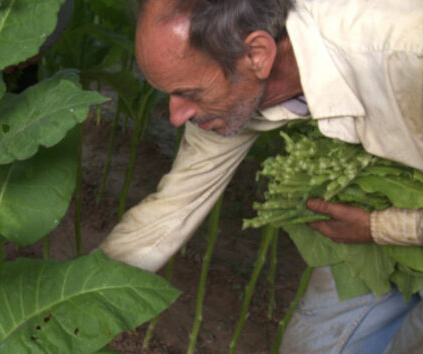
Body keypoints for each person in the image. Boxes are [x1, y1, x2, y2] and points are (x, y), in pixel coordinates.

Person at [98, 0, 423, 352]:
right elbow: (170, 210)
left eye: (188, 93)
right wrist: (72, 301)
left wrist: (384, 227)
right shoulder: (226, 89)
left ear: (258, 54)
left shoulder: (404, 54)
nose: (176, 116)